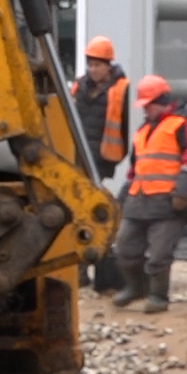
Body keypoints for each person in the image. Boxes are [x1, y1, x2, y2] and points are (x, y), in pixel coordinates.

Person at [112, 75, 187, 314]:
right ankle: (137, 288)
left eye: (148, 104)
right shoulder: (144, 130)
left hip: (170, 201)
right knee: (124, 248)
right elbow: (136, 169)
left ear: (163, 100)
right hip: (139, 199)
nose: (145, 108)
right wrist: (123, 198)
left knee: (159, 253)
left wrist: (182, 192)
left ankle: (158, 296)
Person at [69, 36, 132, 293]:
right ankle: (80, 268)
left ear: (108, 65)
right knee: (77, 211)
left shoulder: (120, 89)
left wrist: (112, 161)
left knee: (90, 211)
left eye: (98, 64)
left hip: (100, 158)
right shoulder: (77, 88)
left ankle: (90, 263)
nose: (93, 69)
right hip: (77, 157)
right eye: (90, 64)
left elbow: (123, 128)